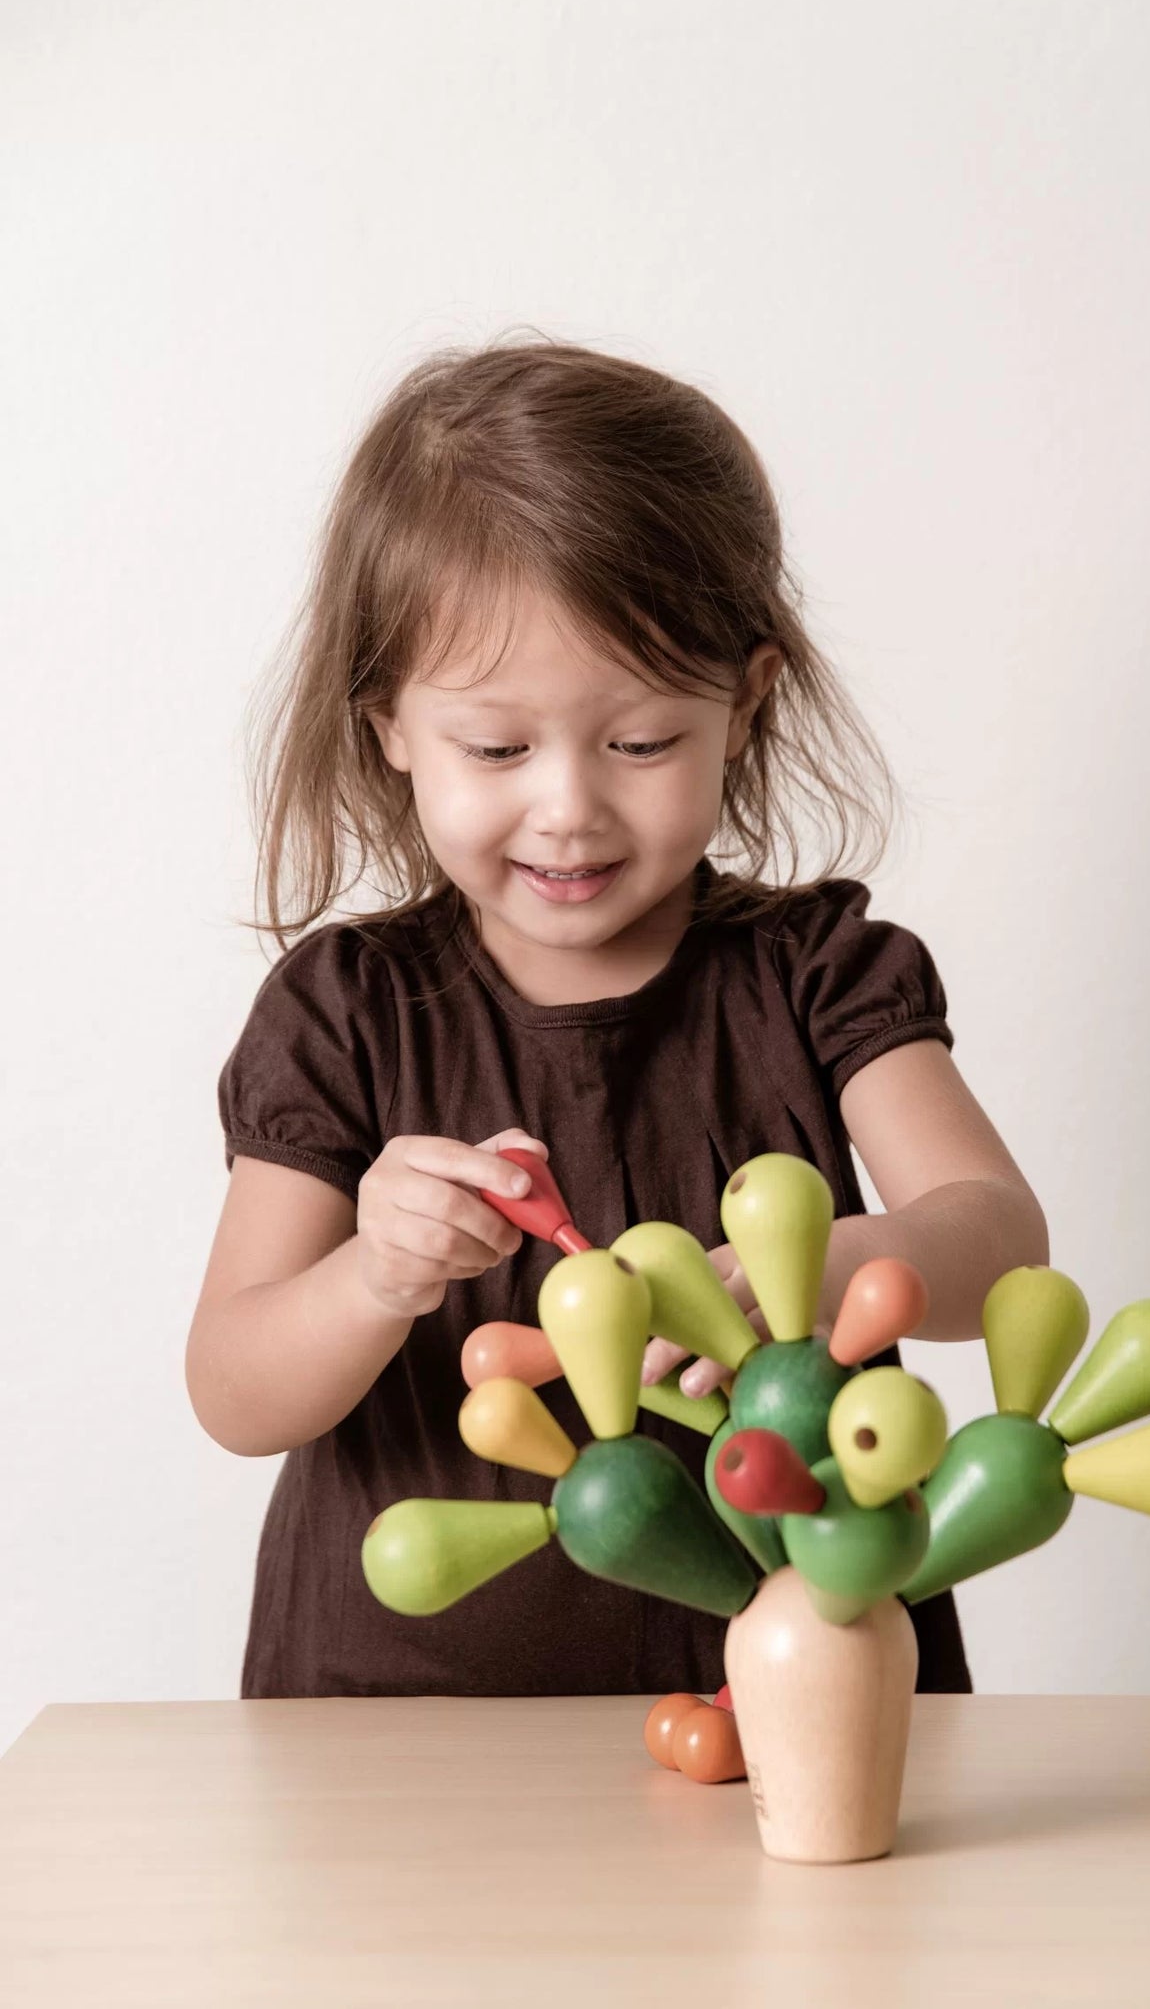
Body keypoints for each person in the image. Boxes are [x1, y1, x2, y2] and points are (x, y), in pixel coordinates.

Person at [187, 336, 1050, 1700]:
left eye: (641, 740)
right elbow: (234, 1391)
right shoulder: (344, 1012)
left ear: (743, 702)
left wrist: (821, 1268)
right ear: (390, 726)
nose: (570, 807)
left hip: (792, 1695)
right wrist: (373, 1277)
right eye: (495, 747)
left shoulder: (816, 974)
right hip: (396, 1734)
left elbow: (998, 1244)